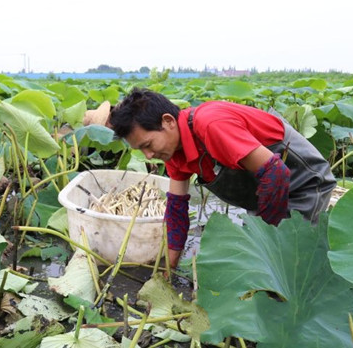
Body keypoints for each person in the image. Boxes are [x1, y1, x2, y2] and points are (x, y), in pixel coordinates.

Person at [108, 87, 336, 269]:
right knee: (260, 265)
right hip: (264, 193)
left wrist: (268, 240)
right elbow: (176, 211)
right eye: (141, 151)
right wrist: (169, 270)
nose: (149, 156)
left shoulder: (210, 124)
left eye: (148, 145)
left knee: (291, 262)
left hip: (303, 182)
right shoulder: (174, 153)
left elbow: (276, 172)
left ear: (168, 121)